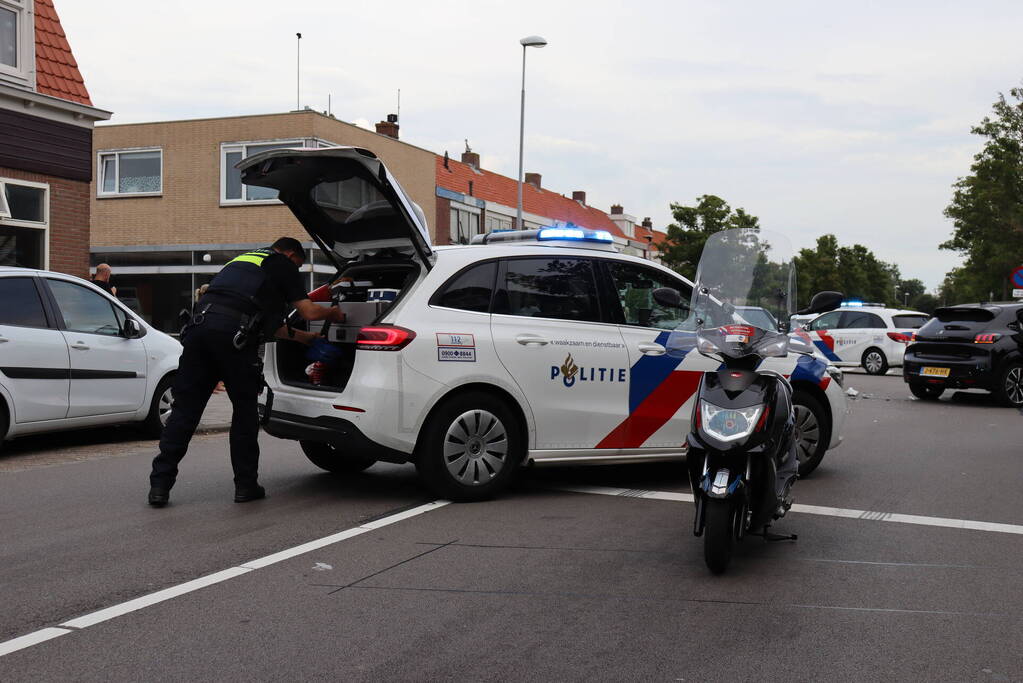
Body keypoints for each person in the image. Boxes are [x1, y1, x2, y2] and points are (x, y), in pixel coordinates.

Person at [148, 237, 344, 507]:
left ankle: (159, 486)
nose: (296, 271)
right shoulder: (282, 264)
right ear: (290, 253)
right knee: (244, 412)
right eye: (298, 265)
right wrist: (334, 314)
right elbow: (309, 312)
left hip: (199, 332)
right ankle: (245, 486)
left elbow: (264, 324)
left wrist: (304, 339)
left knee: (185, 411)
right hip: (234, 341)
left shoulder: (241, 261)